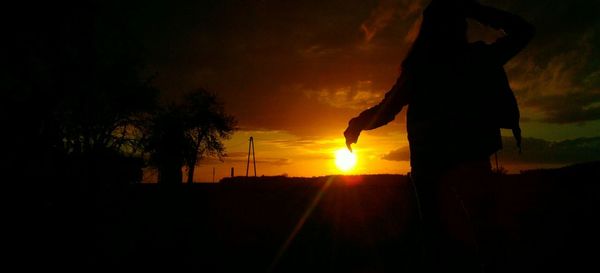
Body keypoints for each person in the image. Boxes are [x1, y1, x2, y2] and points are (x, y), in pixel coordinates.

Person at [344, 0, 534, 272]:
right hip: (461, 158)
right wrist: (475, 9)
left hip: (435, 162)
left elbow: (389, 107)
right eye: (460, 21)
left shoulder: (424, 67)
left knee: (444, 240)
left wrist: (358, 124)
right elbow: (524, 31)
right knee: (478, 235)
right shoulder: (474, 59)